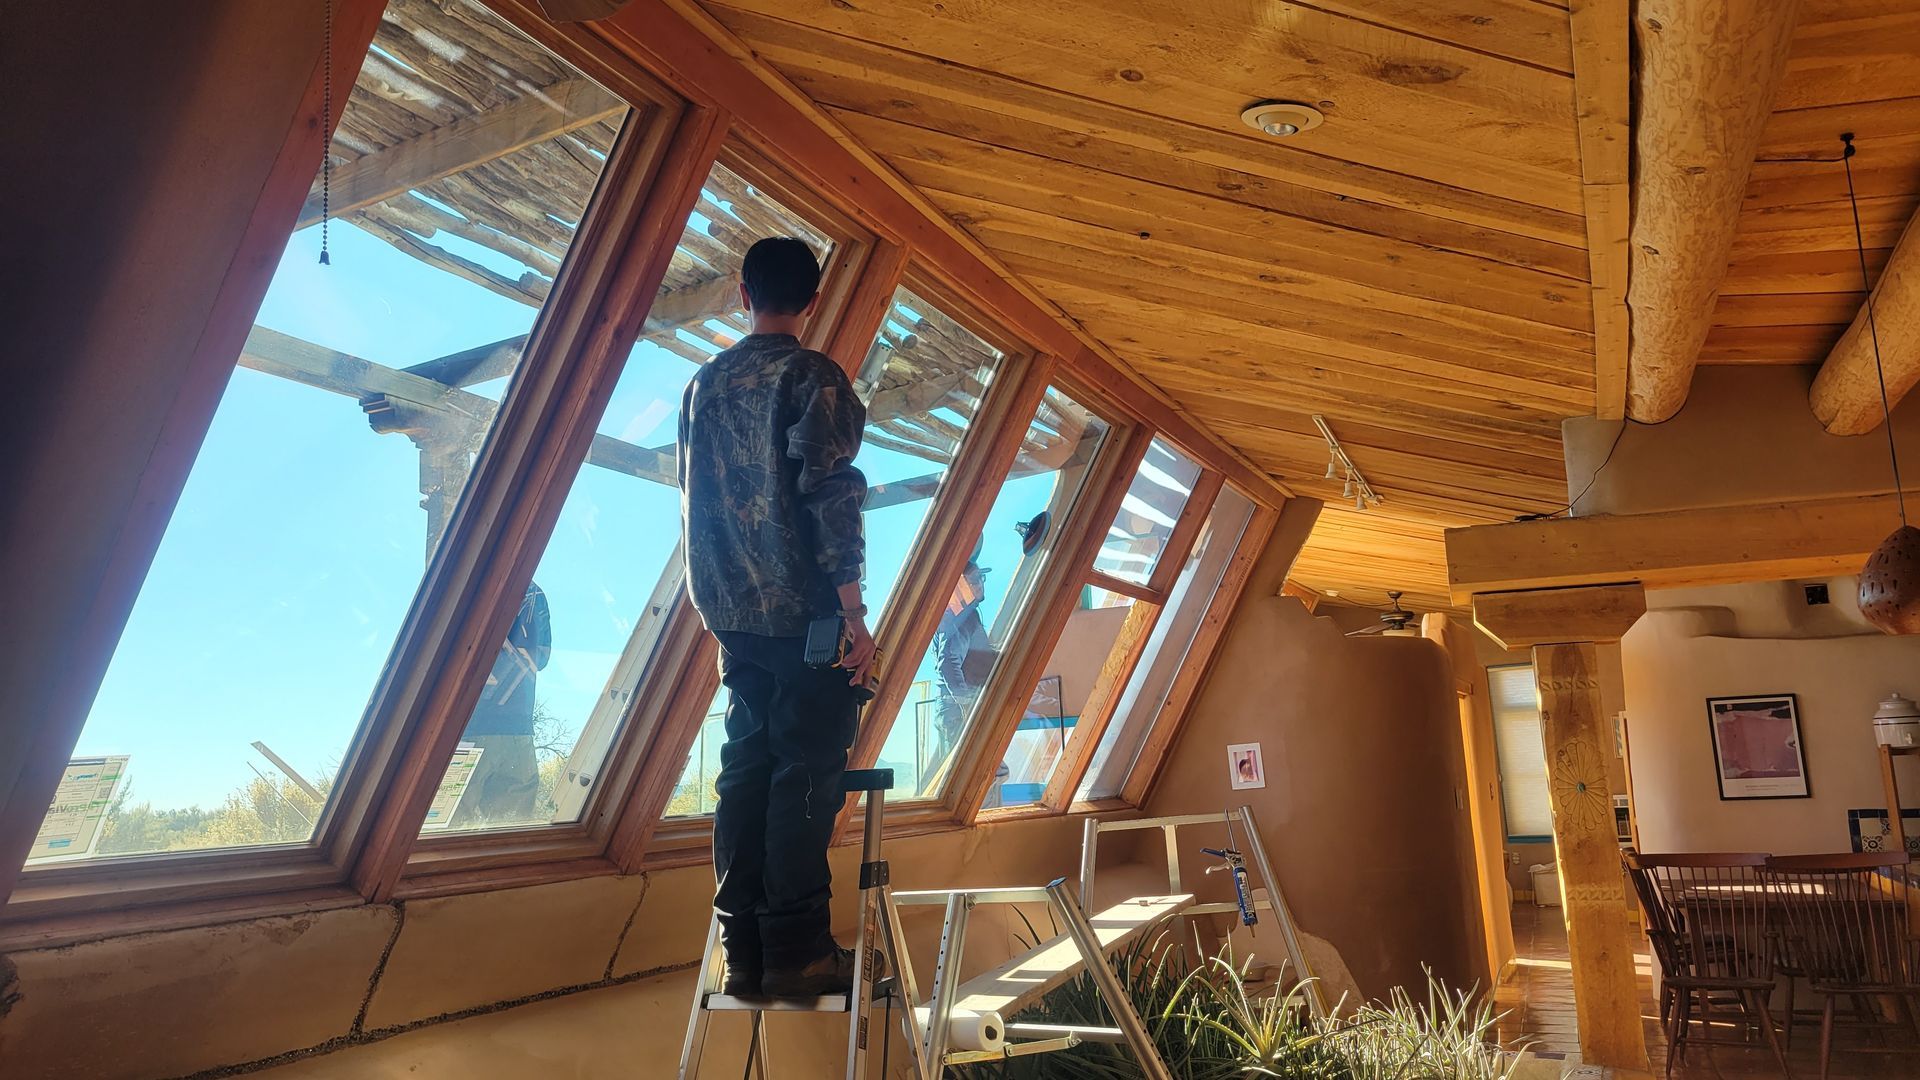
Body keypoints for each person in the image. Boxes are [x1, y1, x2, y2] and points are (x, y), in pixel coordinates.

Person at [678, 237, 877, 999]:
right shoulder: (812, 376)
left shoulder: (702, 385)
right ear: (813, 301)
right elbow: (830, 496)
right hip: (802, 611)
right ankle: (797, 951)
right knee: (805, 771)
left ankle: (745, 952)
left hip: (729, 610)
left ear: (742, 293)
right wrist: (854, 612)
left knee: (745, 770)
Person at [452, 581, 551, 828]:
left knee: (449, 826)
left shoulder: (463, 583)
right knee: (510, 829)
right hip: (517, 729)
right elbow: (542, 658)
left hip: (467, 726)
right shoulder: (534, 592)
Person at [930, 560, 996, 762]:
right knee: (964, 766)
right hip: (957, 711)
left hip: (952, 709)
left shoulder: (958, 614)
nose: (980, 583)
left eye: (981, 577)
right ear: (959, 585)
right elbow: (948, 662)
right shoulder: (961, 616)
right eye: (974, 580)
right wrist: (967, 704)